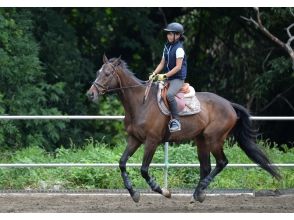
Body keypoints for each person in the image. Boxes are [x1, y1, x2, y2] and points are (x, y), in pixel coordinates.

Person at [149, 22, 187, 132]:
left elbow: (178, 67)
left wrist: (164, 75)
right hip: (169, 78)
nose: (169, 36)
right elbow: (162, 63)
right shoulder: (166, 46)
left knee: (170, 95)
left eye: (171, 34)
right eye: (168, 34)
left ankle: (176, 121)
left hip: (178, 78)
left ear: (178, 35)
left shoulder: (179, 49)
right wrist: (154, 74)